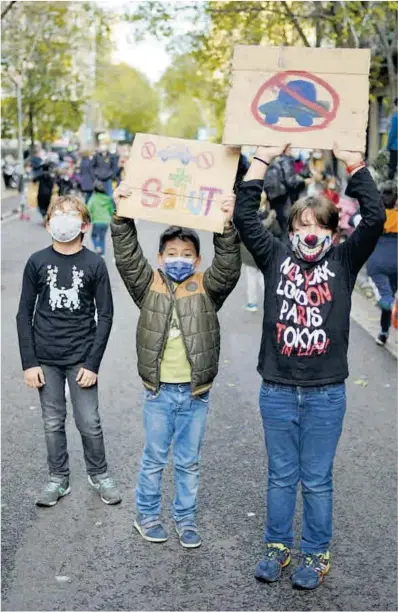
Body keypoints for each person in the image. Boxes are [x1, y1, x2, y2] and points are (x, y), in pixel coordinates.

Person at [233, 143, 385, 590]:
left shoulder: (344, 260)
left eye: (320, 225)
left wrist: (355, 163)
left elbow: (374, 218)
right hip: (277, 387)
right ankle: (277, 547)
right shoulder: (275, 256)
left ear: (334, 232)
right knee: (281, 476)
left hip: (325, 392)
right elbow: (245, 216)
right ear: (290, 229)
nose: (311, 232)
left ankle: (316, 555)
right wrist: (260, 160)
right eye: (303, 225)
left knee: (316, 480)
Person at [110, 182, 241, 548]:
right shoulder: (147, 285)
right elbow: (126, 257)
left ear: (197, 260)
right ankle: (147, 515)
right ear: (160, 257)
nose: (179, 258)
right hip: (158, 393)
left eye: (187, 253)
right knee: (154, 459)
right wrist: (121, 217)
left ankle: (186, 519)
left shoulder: (206, 287)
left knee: (188, 462)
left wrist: (227, 227)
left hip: (195, 394)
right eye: (171, 253)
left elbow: (229, 268)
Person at [16, 195, 121, 508]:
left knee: (89, 421)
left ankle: (99, 473)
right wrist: (29, 362)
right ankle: (58, 478)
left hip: (81, 358)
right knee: (52, 421)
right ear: (48, 223)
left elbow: (106, 315)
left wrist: (93, 363)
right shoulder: (36, 261)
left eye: (71, 213)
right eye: (58, 214)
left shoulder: (95, 264)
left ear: (84, 224)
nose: (64, 218)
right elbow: (24, 312)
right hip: (45, 357)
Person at [351, 180, 398, 346]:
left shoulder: (373, 217)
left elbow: (353, 219)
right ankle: (384, 333)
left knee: (386, 298)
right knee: (390, 295)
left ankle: (388, 320)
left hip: (377, 262)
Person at [242, 192, 282, 312]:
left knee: (251, 279)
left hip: (251, 253)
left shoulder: (247, 215)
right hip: (265, 252)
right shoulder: (270, 215)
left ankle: (252, 303)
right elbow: (278, 232)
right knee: (264, 278)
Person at [263, 147, 306, 239]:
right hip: (283, 197)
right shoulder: (286, 160)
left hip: (273, 196)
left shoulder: (273, 159)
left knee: (279, 223)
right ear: (286, 149)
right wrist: (304, 182)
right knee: (286, 225)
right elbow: (291, 181)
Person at [87, 180, 114, 256]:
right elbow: (111, 210)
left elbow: (88, 208)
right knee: (102, 238)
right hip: (106, 221)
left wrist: (88, 218)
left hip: (97, 221)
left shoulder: (93, 198)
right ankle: (102, 253)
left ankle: (97, 247)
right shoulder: (107, 198)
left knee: (93, 236)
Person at [387, 97, 398, 180]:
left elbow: (393, 133)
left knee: (392, 167)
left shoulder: (395, 117)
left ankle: (390, 185)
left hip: (395, 147)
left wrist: (388, 146)